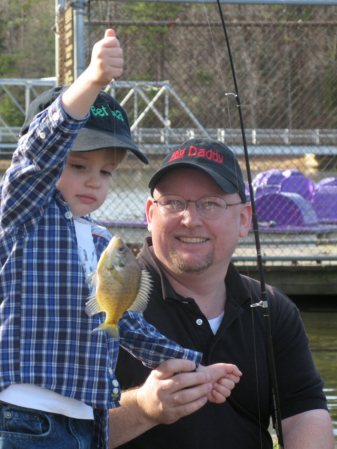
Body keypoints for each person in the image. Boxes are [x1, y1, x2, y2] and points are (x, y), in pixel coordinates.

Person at [0, 31, 242, 449]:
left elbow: (126, 323)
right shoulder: (23, 214)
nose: (94, 181)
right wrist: (92, 81)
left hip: (86, 422)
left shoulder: (98, 240)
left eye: (107, 172)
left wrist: (191, 366)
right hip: (22, 416)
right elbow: (38, 155)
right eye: (78, 165)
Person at [112, 138, 335, 449]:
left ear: (244, 219)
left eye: (211, 204)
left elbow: (303, 413)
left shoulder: (272, 308)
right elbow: (51, 431)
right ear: (151, 214)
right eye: (174, 202)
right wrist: (142, 409)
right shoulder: (107, 303)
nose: (191, 220)